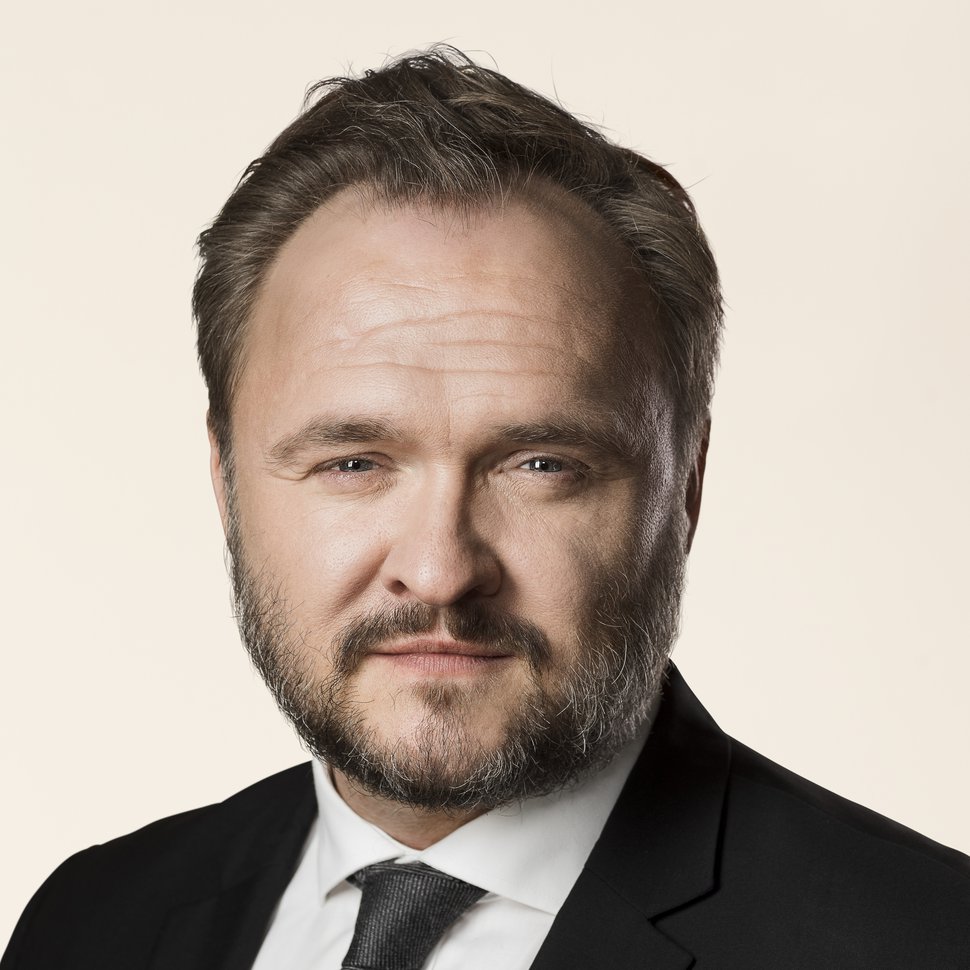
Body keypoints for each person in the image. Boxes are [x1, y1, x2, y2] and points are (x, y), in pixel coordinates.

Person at [3, 47, 967, 970]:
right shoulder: (90, 925)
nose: (439, 570)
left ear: (687, 488)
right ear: (225, 482)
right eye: (352, 463)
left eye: (542, 464)